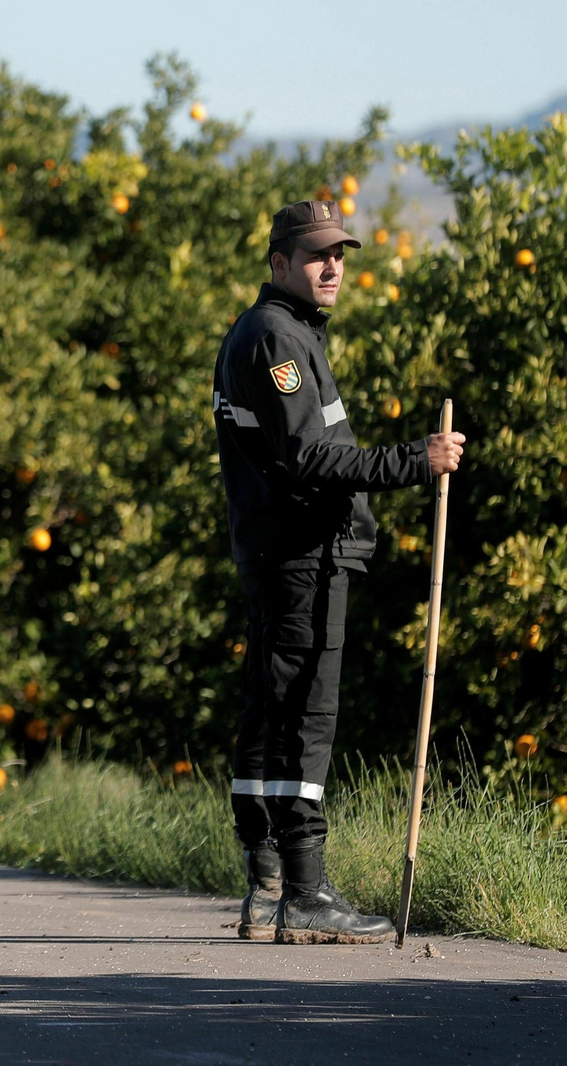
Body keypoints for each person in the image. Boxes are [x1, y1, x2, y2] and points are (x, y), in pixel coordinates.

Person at [213, 200, 465, 944]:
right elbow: (310, 458)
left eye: (339, 255)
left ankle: (267, 886)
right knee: (303, 718)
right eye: (316, 255)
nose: (332, 267)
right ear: (279, 262)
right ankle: (305, 892)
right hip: (303, 555)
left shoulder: (274, 331)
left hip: (281, 552)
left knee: (270, 711)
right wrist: (417, 460)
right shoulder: (276, 337)